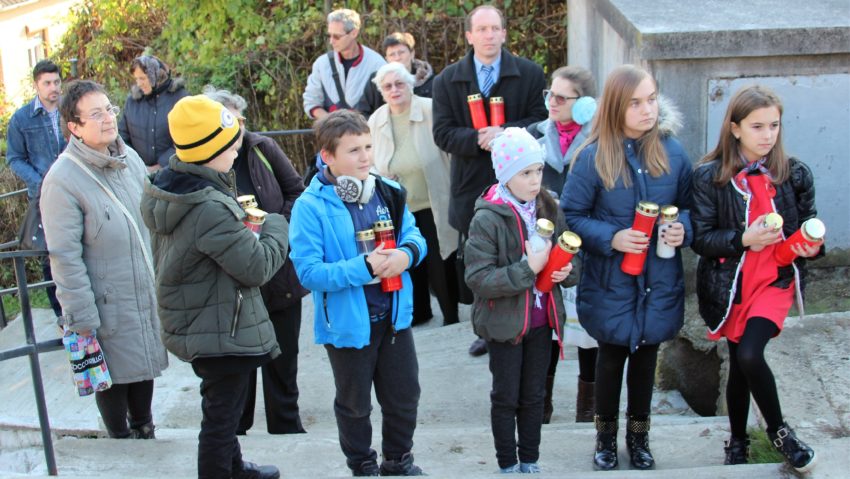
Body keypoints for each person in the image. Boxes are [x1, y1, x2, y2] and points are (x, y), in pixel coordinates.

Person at [141, 95, 287, 479]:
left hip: (202, 317)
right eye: (232, 145)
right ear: (210, 151)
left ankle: (235, 468)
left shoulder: (172, 187)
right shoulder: (208, 207)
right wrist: (274, 225)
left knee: (222, 405)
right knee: (221, 419)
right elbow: (256, 267)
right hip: (221, 324)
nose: (238, 152)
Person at [561, 65, 693, 471]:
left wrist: (681, 229)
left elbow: (691, 206)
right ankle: (604, 438)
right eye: (635, 102)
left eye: (651, 99)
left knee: (646, 360)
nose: (646, 109)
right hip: (612, 281)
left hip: (658, 280)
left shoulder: (672, 151)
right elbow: (573, 213)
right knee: (611, 357)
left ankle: (639, 438)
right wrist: (612, 238)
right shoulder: (592, 156)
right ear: (617, 106)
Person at [289, 110, 426, 476]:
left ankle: (398, 462)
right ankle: (362, 465)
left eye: (368, 146)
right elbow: (308, 272)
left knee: (403, 396)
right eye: (354, 150)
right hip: (349, 326)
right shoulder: (309, 206)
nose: (366, 157)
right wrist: (362, 268)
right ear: (327, 156)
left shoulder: (389, 192)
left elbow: (414, 236)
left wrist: (405, 254)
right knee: (354, 404)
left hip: (394, 318)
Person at [691, 85, 819, 473]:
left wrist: (810, 245)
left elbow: (809, 222)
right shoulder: (709, 178)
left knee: (750, 353)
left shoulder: (793, 173)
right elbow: (700, 239)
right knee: (738, 361)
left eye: (774, 126)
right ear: (734, 128)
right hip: (730, 286)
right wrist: (742, 239)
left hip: (774, 282)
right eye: (757, 126)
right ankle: (739, 441)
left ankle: (782, 434)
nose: (767, 135)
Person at [40, 79, 168, 439]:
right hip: (102, 300)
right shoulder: (62, 180)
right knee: (113, 377)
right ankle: (120, 440)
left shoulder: (128, 160)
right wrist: (80, 316)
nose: (108, 118)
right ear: (75, 127)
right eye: (95, 114)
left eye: (109, 109)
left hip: (141, 287)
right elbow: (64, 256)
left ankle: (145, 429)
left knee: (144, 365)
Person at [432, 4, 547, 356]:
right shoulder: (447, 80)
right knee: (481, 261)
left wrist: (506, 132)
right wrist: (478, 138)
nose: (489, 35)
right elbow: (442, 134)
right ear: (469, 36)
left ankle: (534, 318)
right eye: (481, 29)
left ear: (504, 33)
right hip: (472, 185)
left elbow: (540, 120)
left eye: (495, 28)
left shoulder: (528, 73)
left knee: (523, 251)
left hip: (519, 184)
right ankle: (487, 328)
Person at [464, 127, 577, 474]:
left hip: (543, 323)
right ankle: (507, 463)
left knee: (534, 396)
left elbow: (571, 260)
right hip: (505, 325)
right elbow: (478, 279)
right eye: (525, 173)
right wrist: (528, 269)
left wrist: (565, 272)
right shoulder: (487, 217)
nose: (534, 180)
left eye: (538, 170)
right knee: (506, 397)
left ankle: (530, 459)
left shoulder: (547, 205)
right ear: (505, 174)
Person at [202, 85, 309, 435]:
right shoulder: (203, 161)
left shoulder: (262, 147)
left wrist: (275, 227)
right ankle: (238, 429)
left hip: (278, 267)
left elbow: (296, 191)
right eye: (229, 120)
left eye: (240, 119)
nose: (238, 127)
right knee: (240, 359)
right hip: (234, 274)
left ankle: (286, 425)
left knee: (283, 355)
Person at [528, 65, 598, 424]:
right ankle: (542, 403)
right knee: (549, 323)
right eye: (549, 94)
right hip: (548, 247)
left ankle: (587, 407)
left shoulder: (601, 145)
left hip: (589, 249)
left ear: (585, 105)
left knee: (588, 330)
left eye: (561, 97)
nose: (552, 102)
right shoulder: (536, 139)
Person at [367, 62, 459, 326]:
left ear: (411, 84)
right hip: (399, 206)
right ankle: (419, 313)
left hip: (433, 200)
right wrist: (378, 175)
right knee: (409, 260)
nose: (394, 90)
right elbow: (369, 160)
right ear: (382, 92)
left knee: (440, 260)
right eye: (388, 86)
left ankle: (450, 316)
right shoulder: (376, 120)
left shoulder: (431, 109)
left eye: (399, 84)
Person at [5, 59, 66, 318]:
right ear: (36, 85)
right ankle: (60, 315)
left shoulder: (70, 110)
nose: (53, 88)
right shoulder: (21, 119)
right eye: (47, 83)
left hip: (75, 189)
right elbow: (14, 158)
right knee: (50, 256)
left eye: (56, 82)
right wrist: (40, 181)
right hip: (43, 198)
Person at [302, 9, 386, 120]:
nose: (331, 41)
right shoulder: (321, 64)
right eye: (329, 36)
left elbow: (387, 104)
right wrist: (333, 123)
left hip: (366, 133)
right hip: (331, 133)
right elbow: (311, 102)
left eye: (336, 36)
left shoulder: (377, 64)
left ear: (354, 33)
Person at [117, 55, 189, 171]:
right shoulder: (132, 102)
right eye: (136, 79)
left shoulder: (180, 98)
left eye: (143, 78)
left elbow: (187, 137)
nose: (139, 84)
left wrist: (160, 166)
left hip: (174, 173)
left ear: (156, 75)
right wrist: (136, 164)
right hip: (139, 172)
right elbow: (122, 137)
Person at [357, 32, 435, 118]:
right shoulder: (377, 80)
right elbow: (362, 113)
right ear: (386, 59)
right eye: (392, 54)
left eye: (401, 52)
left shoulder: (429, 81)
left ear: (412, 54)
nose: (397, 58)